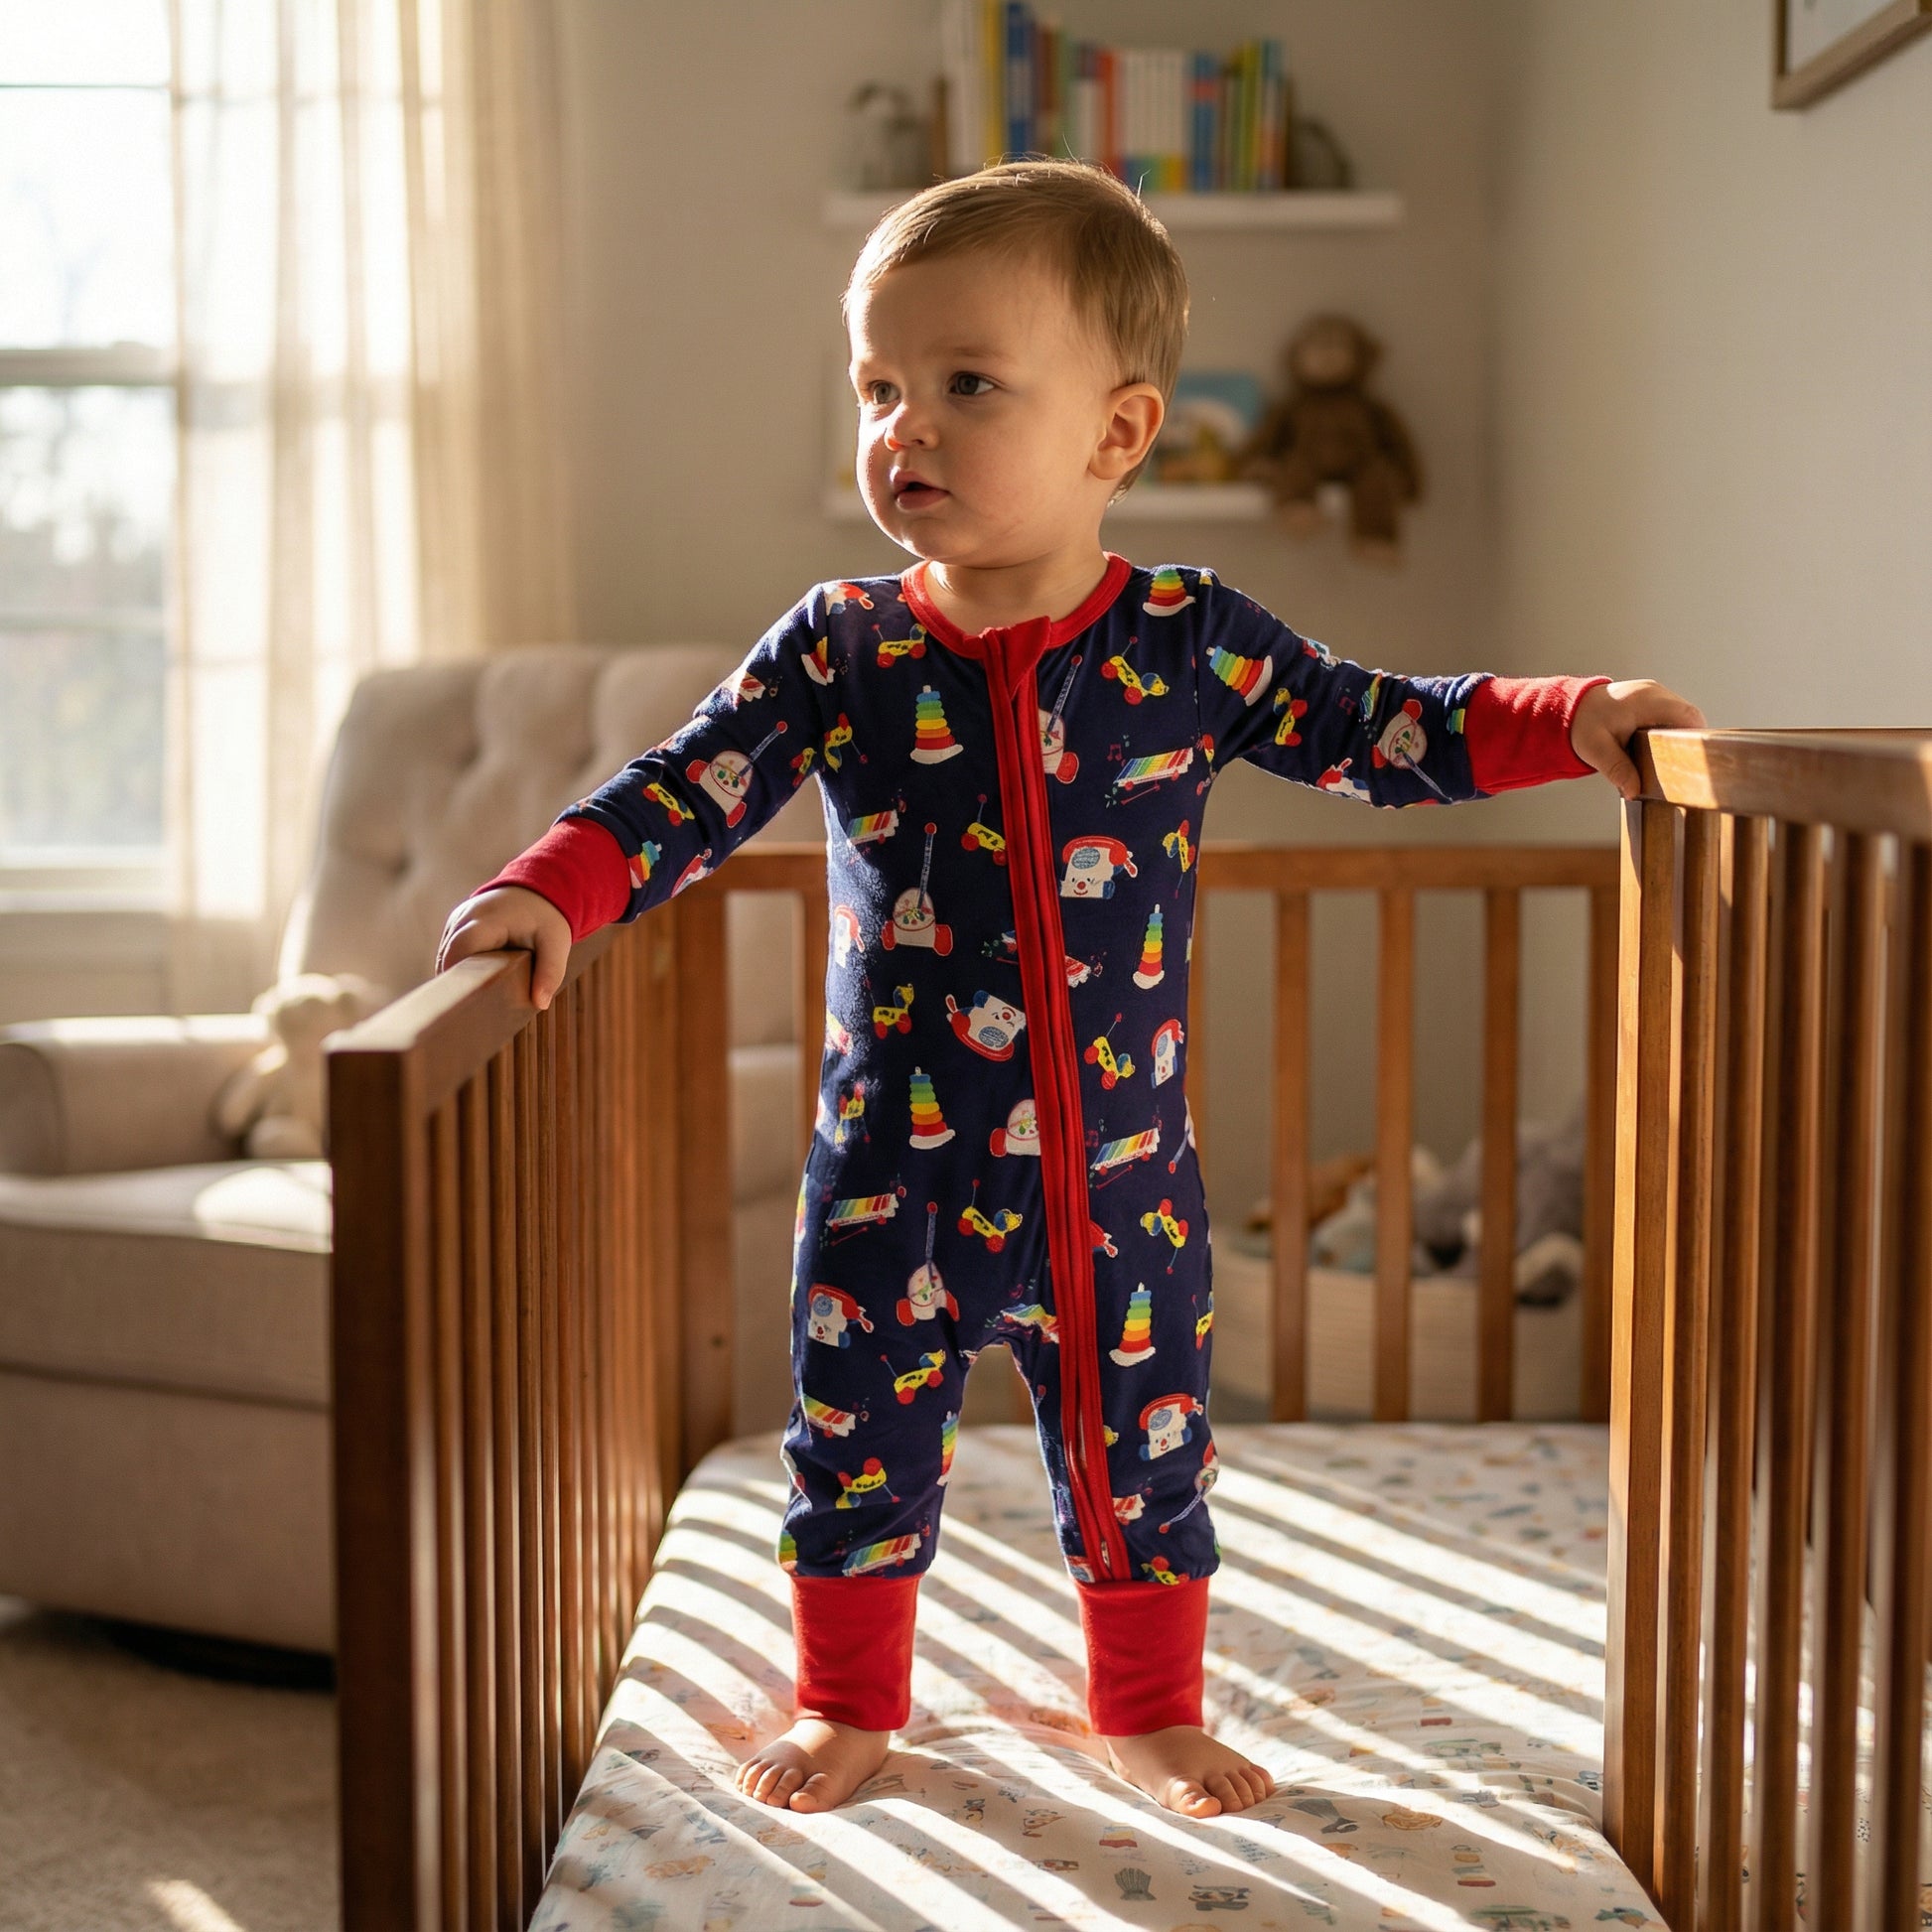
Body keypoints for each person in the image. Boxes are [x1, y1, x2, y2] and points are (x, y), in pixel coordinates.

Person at [435, 158, 1704, 1822]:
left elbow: (1386, 729)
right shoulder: (839, 647)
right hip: (889, 1166)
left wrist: (1573, 715)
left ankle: (1149, 1707)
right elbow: (681, 790)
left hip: (1116, 1187)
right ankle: (845, 1695)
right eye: (879, 386)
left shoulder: (1188, 640)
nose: (906, 427)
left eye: (966, 385)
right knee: (851, 1442)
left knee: (1144, 1447)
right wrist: (548, 891)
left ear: (1116, 432)